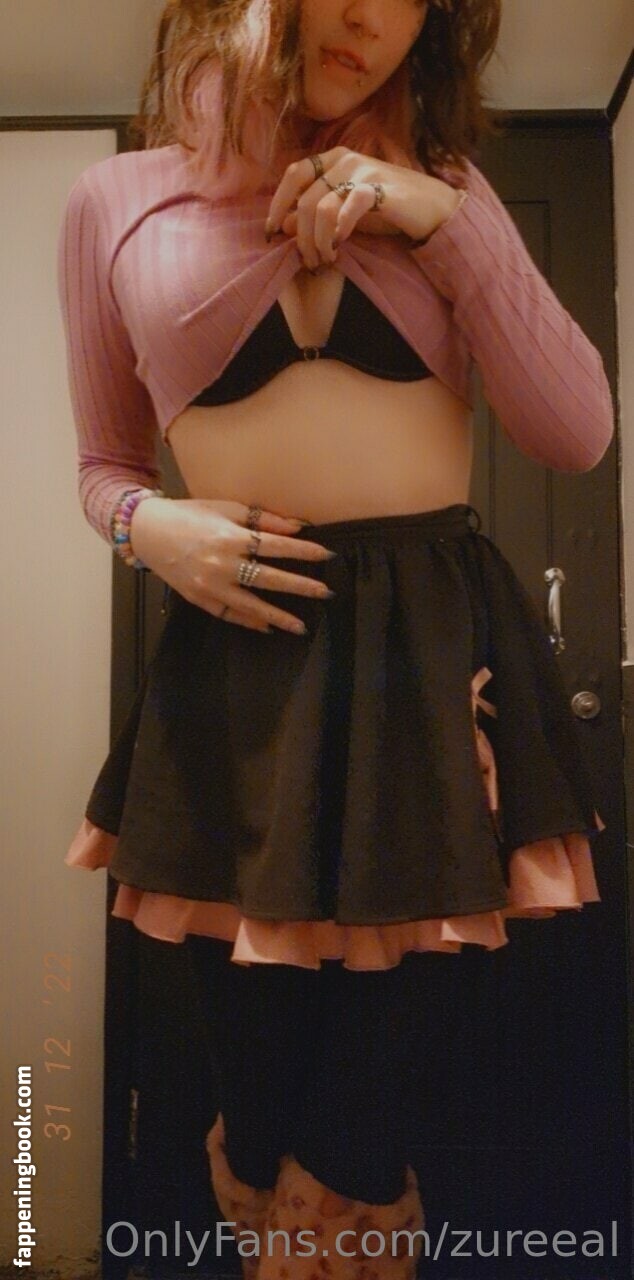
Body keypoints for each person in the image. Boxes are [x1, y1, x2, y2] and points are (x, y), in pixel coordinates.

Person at [57, 0, 614, 1276]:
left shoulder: (449, 189)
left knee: (363, 1125)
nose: (371, 13)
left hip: (428, 669)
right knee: (255, 1112)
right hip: (236, 671)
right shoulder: (114, 200)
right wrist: (148, 526)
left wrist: (443, 218)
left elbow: (576, 431)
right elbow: (103, 464)